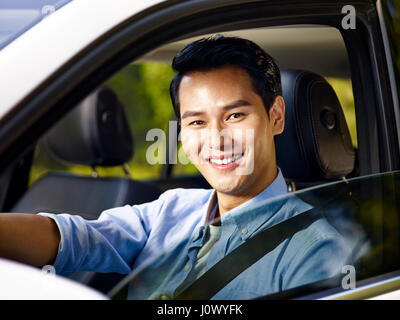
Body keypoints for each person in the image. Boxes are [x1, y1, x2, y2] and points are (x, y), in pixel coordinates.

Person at [0, 36, 351, 299]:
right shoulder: (172, 209)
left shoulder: (316, 250)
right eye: (197, 122)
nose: (217, 139)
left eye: (234, 115)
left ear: (275, 116)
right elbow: (77, 238)